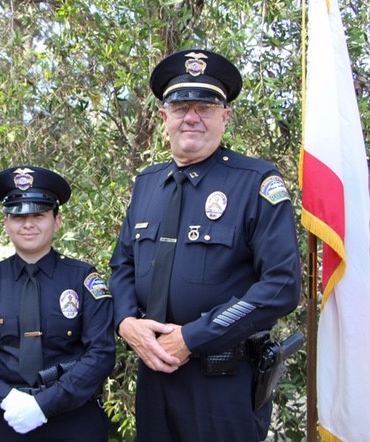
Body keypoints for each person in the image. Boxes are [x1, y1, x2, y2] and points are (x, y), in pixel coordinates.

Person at [109, 49, 301, 441]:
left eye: (206, 106)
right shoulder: (147, 184)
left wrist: (192, 338)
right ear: (165, 116)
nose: (191, 117)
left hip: (222, 384)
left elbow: (281, 285)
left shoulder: (256, 183)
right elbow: (122, 266)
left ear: (224, 117)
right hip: (154, 378)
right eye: (181, 106)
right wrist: (126, 323)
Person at [0, 166, 115, 441]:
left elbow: (102, 352)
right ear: (6, 223)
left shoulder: (83, 279)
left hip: (73, 419)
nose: (28, 224)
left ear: (57, 222)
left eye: (39, 215)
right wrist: (6, 397)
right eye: (18, 215)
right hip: (9, 417)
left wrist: (44, 405)